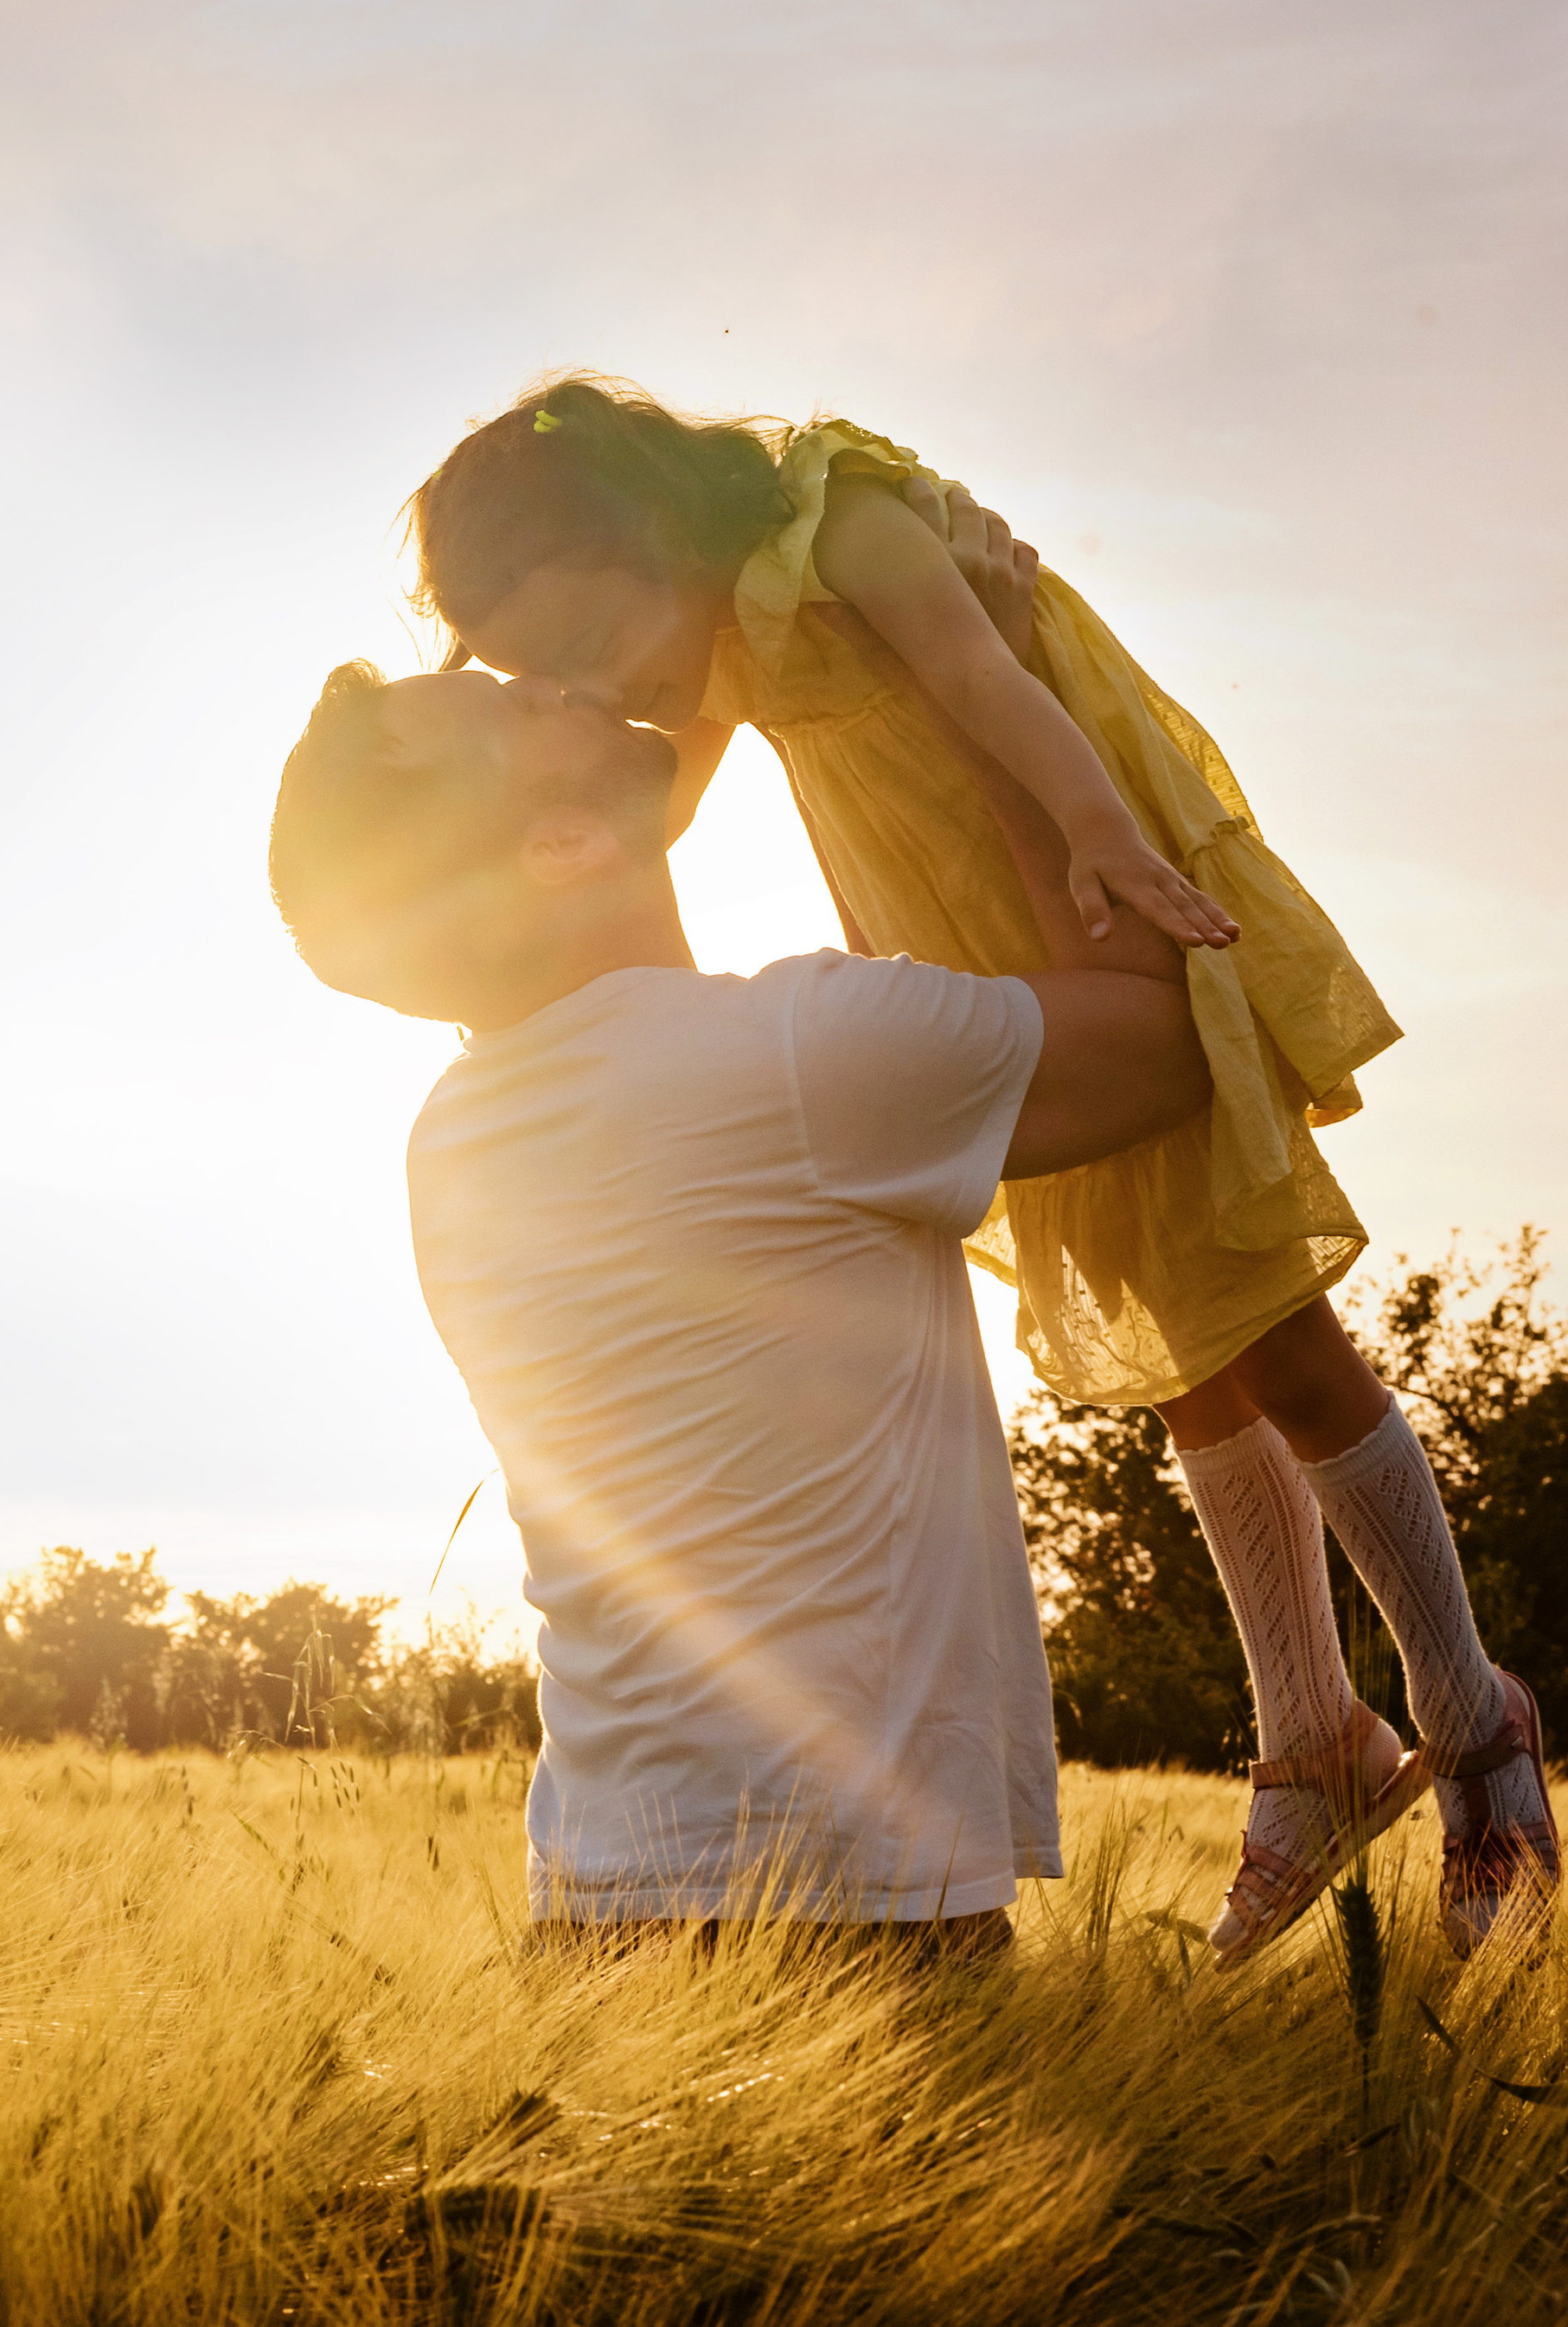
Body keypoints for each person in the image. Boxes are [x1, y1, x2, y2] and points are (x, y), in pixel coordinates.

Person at [400, 379, 1558, 1960]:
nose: (608, 697)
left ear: (654, 528)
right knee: (1179, 1346)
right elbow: (641, 816)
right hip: (970, 934)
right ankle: (1313, 1740)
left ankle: (1467, 1710)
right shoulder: (709, 635)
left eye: (594, 649)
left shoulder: (837, 521)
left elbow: (979, 675)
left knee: (1268, 1321)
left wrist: (1097, 838)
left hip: (1080, 871)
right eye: (555, 682)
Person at [268, 597, 1213, 1956]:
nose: (563, 678)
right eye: (525, 707)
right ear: (560, 842)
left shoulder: (457, 1139)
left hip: (602, 1888)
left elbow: (599, 875)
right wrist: (983, 683)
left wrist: (728, 643)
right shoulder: (800, 1055)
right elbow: (1170, 1032)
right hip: (848, 1910)